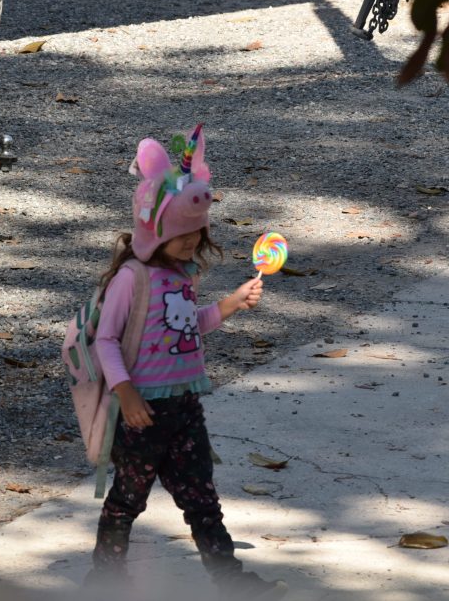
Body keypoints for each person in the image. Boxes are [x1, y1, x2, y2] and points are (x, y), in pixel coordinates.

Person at [84, 127, 288, 601]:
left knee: (203, 501)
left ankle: (232, 581)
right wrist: (125, 391)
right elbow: (105, 340)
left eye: (197, 234)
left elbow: (187, 328)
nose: (191, 242)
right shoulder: (131, 280)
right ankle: (105, 579)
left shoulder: (181, 278)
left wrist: (230, 305)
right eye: (181, 234)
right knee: (126, 502)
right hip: (142, 414)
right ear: (153, 229)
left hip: (185, 406)